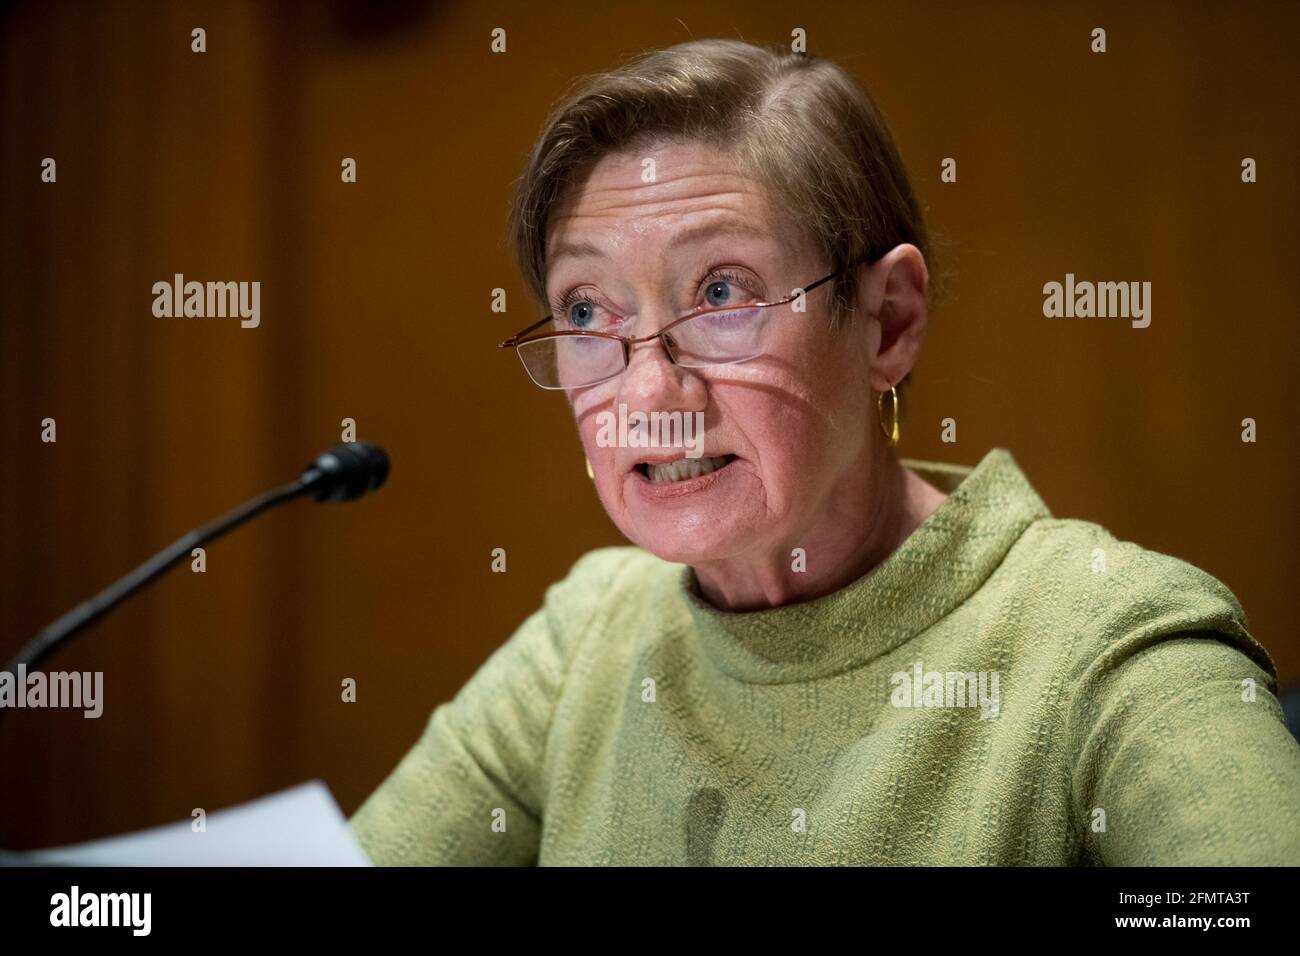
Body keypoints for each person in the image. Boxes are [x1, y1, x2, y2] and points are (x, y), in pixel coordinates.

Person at [349, 38, 1300, 865]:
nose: (646, 393)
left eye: (721, 293)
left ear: (888, 323)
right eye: (587, 312)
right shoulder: (587, 639)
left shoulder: (1110, 646)